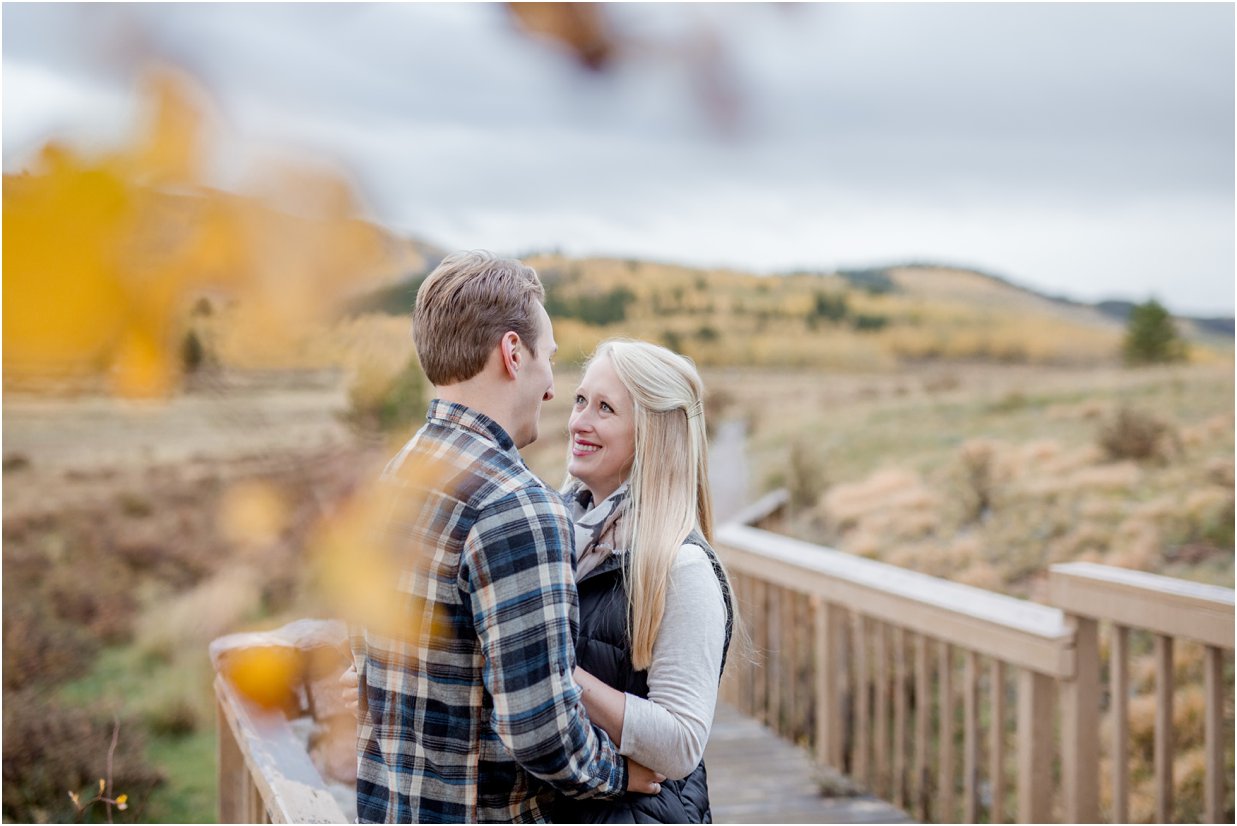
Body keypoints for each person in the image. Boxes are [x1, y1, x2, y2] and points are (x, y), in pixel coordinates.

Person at [349, 252, 663, 823]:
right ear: (512, 353)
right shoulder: (518, 507)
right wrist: (620, 775)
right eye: (548, 358)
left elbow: (368, 670)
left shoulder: (391, 479)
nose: (550, 389)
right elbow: (541, 727)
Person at [549, 339, 738, 824]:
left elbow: (680, 744)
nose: (579, 422)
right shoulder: (557, 533)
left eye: (605, 408)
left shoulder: (684, 569)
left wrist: (553, 674)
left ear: (651, 434)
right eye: (580, 400)